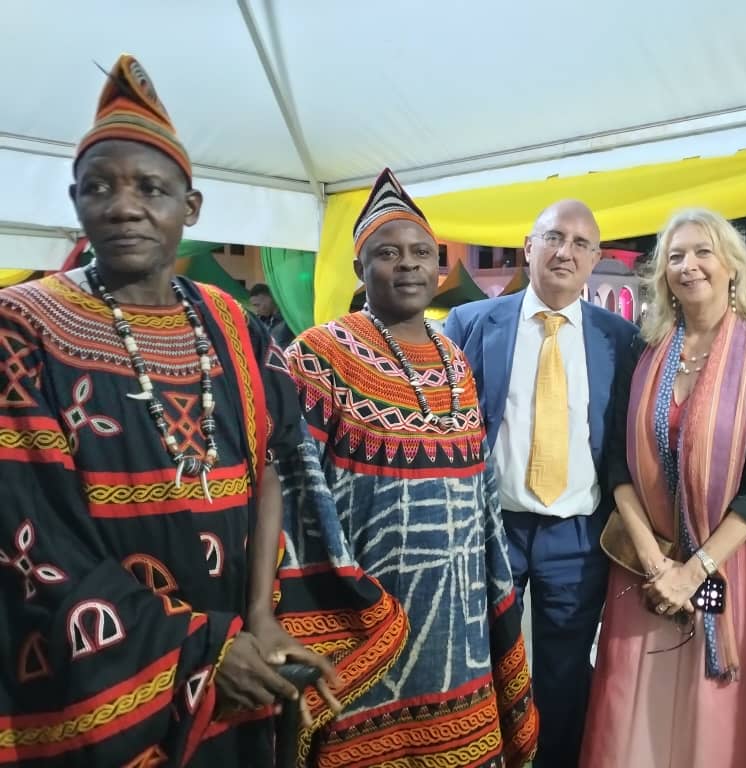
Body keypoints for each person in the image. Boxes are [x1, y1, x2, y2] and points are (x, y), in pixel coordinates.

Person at [0, 55, 399, 767]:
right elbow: (33, 538)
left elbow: (278, 457)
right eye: (99, 187)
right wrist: (201, 649)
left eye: (150, 188)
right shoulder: (22, 325)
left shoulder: (228, 320)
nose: (123, 206)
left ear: (191, 208)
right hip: (105, 668)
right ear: (75, 200)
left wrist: (260, 617)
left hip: (239, 644)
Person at [279, 168, 538, 768]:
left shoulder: (452, 357)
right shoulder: (319, 355)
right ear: (359, 268)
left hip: (459, 614)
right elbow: (294, 495)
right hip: (364, 612)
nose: (410, 265)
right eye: (388, 253)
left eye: (423, 252)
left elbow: (480, 492)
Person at [579, 208, 746, 767]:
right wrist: (656, 565)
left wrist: (692, 571)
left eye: (702, 252)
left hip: (728, 563)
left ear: (732, 267)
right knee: (632, 706)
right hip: (643, 561)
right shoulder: (645, 354)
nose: (688, 265)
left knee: (711, 715)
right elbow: (617, 467)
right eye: (675, 256)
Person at [444, 199, 639, 767]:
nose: (566, 252)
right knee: (481, 655)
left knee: (563, 667)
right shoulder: (474, 323)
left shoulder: (618, 338)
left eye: (581, 244)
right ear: (528, 247)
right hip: (493, 528)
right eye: (554, 238)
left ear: (595, 258)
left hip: (577, 534)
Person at [250, 282, 295, 348]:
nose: (256, 310)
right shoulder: (260, 322)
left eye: (257, 305)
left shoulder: (289, 320)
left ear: (270, 298)